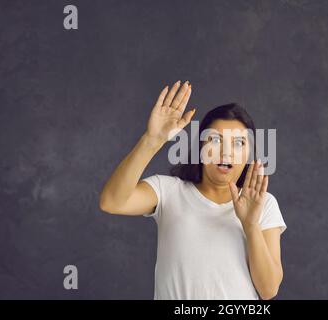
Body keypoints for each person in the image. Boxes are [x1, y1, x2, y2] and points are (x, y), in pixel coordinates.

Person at [99, 80, 287, 299]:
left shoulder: (263, 204)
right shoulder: (168, 191)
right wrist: (152, 140)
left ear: (249, 154)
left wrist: (251, 225)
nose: (226, 151)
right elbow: (111, 201)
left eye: (238, 143)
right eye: (215, 140)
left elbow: (268, 289)